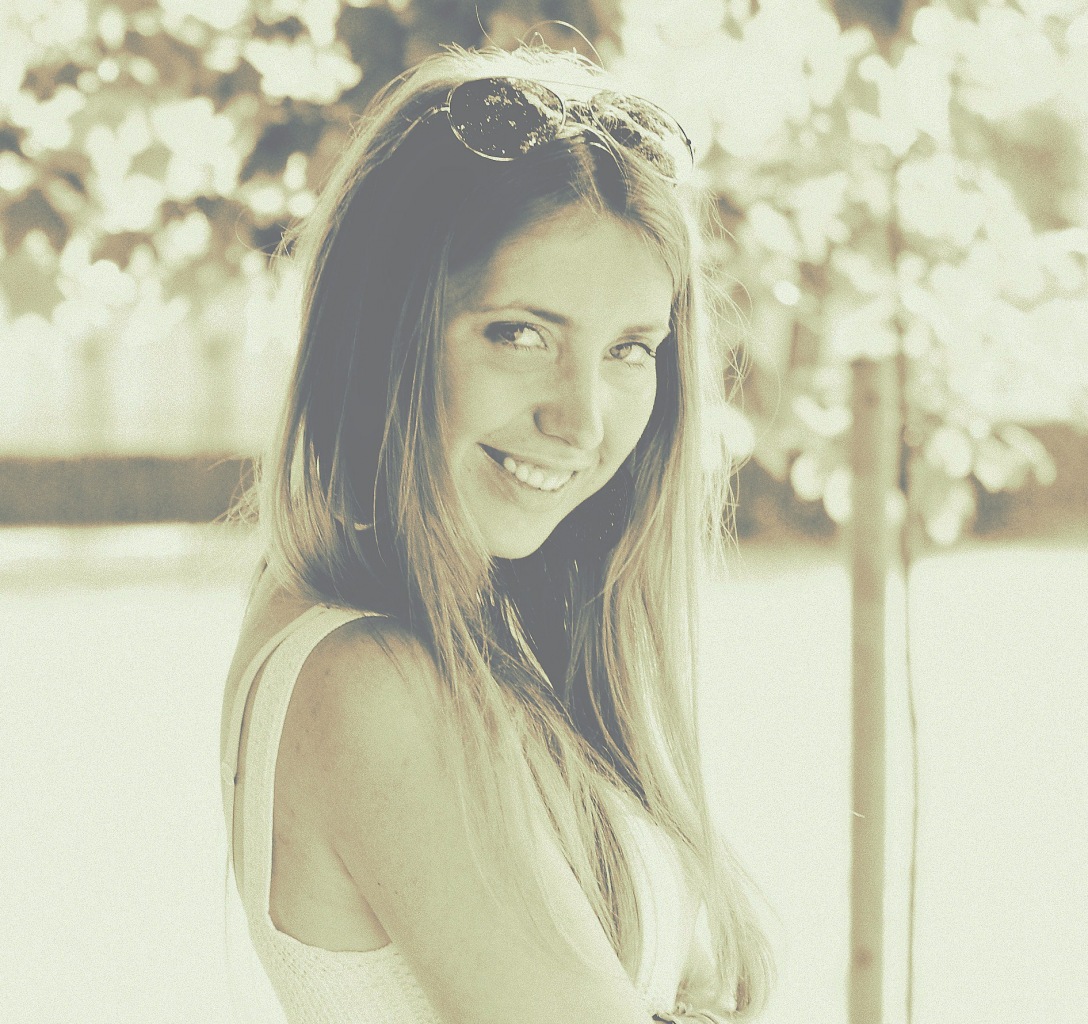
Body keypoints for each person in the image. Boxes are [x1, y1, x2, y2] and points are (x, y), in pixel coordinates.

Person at [220, 41, 773, 1024]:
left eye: (628, 350)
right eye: (520, 333)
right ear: (385, 333)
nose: (582, 419)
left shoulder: (464, 639)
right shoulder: (373, 684)